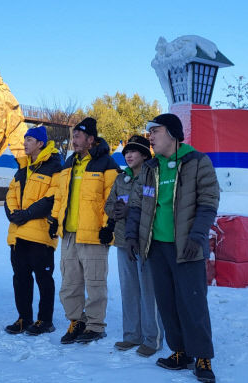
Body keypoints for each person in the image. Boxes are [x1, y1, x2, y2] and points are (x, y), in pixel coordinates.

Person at [125, 113, 220, 383]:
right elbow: (138, 205)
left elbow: (209, 202)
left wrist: (197, 236)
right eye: (150, 132)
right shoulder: (151, 168)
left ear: (173, 133)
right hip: (157, 247)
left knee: (192, 302)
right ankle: (179, 351)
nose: (151, 136)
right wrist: (132, 236)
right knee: (167, 302)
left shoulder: (197, 161)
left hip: (187, 247)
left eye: (155, 131)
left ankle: (202, 356)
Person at [49, 117, 119, 344]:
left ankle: (96, 325)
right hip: (69, 234)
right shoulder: (69, 163)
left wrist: (108, 226)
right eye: (73, 137)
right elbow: (60, 196)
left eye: (77, 136)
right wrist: (54, 219)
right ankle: (76, 321)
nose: (73, 141)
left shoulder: (107, 164)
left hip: (94, 235)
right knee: (69, 283)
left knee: (95, 283)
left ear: (91, 139)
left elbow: (114, 199)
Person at [104, 135, 163, 357]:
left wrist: (132, 209)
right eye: (126, 151)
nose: (128, 155)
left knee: (149, 290)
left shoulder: (152, 176)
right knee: (129, 289)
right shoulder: (122, 178)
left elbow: (154, 204)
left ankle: (152, 338)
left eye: (134, 151)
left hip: (146, 241)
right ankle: (131, 335)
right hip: (122, 240)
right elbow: (109, 204)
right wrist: (116, 211)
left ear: (145, 155)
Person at [4, 126, 62, 336]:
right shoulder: (22, 169)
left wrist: (26, 214)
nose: (25, 143)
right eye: (25, 139)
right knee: (20, 278)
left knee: (44, 279)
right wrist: (13, 214)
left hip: (41, 234)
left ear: (40, 143)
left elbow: (52, 197)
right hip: (18, 234)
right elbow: (10, 194)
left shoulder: (55, 167)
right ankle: (24, 318)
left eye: (29, 139)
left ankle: (45, 320)